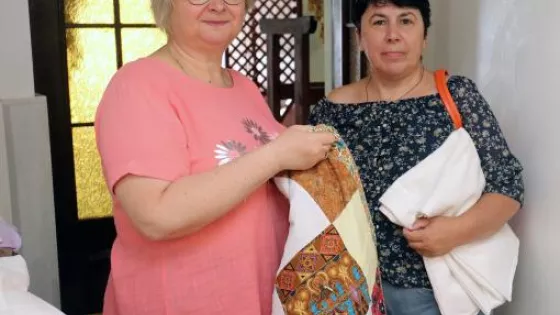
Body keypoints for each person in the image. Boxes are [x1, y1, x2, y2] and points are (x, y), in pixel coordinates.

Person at [94, 0, 337, 314]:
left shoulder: (245, 88)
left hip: (257, 293)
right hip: (182, 301)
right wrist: (276, 155)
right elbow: (157, 215)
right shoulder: (136, 86)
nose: (218, 5)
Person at [308, 0, 524, 314]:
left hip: (429, 292)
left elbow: (508, 185)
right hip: (346, 286)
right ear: (360, 38)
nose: (393, 34)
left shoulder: (456, 95)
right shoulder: (332, 109)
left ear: (424, 36)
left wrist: (456, 230)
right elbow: (310, 195)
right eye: (379, 22)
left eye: (406, 21)